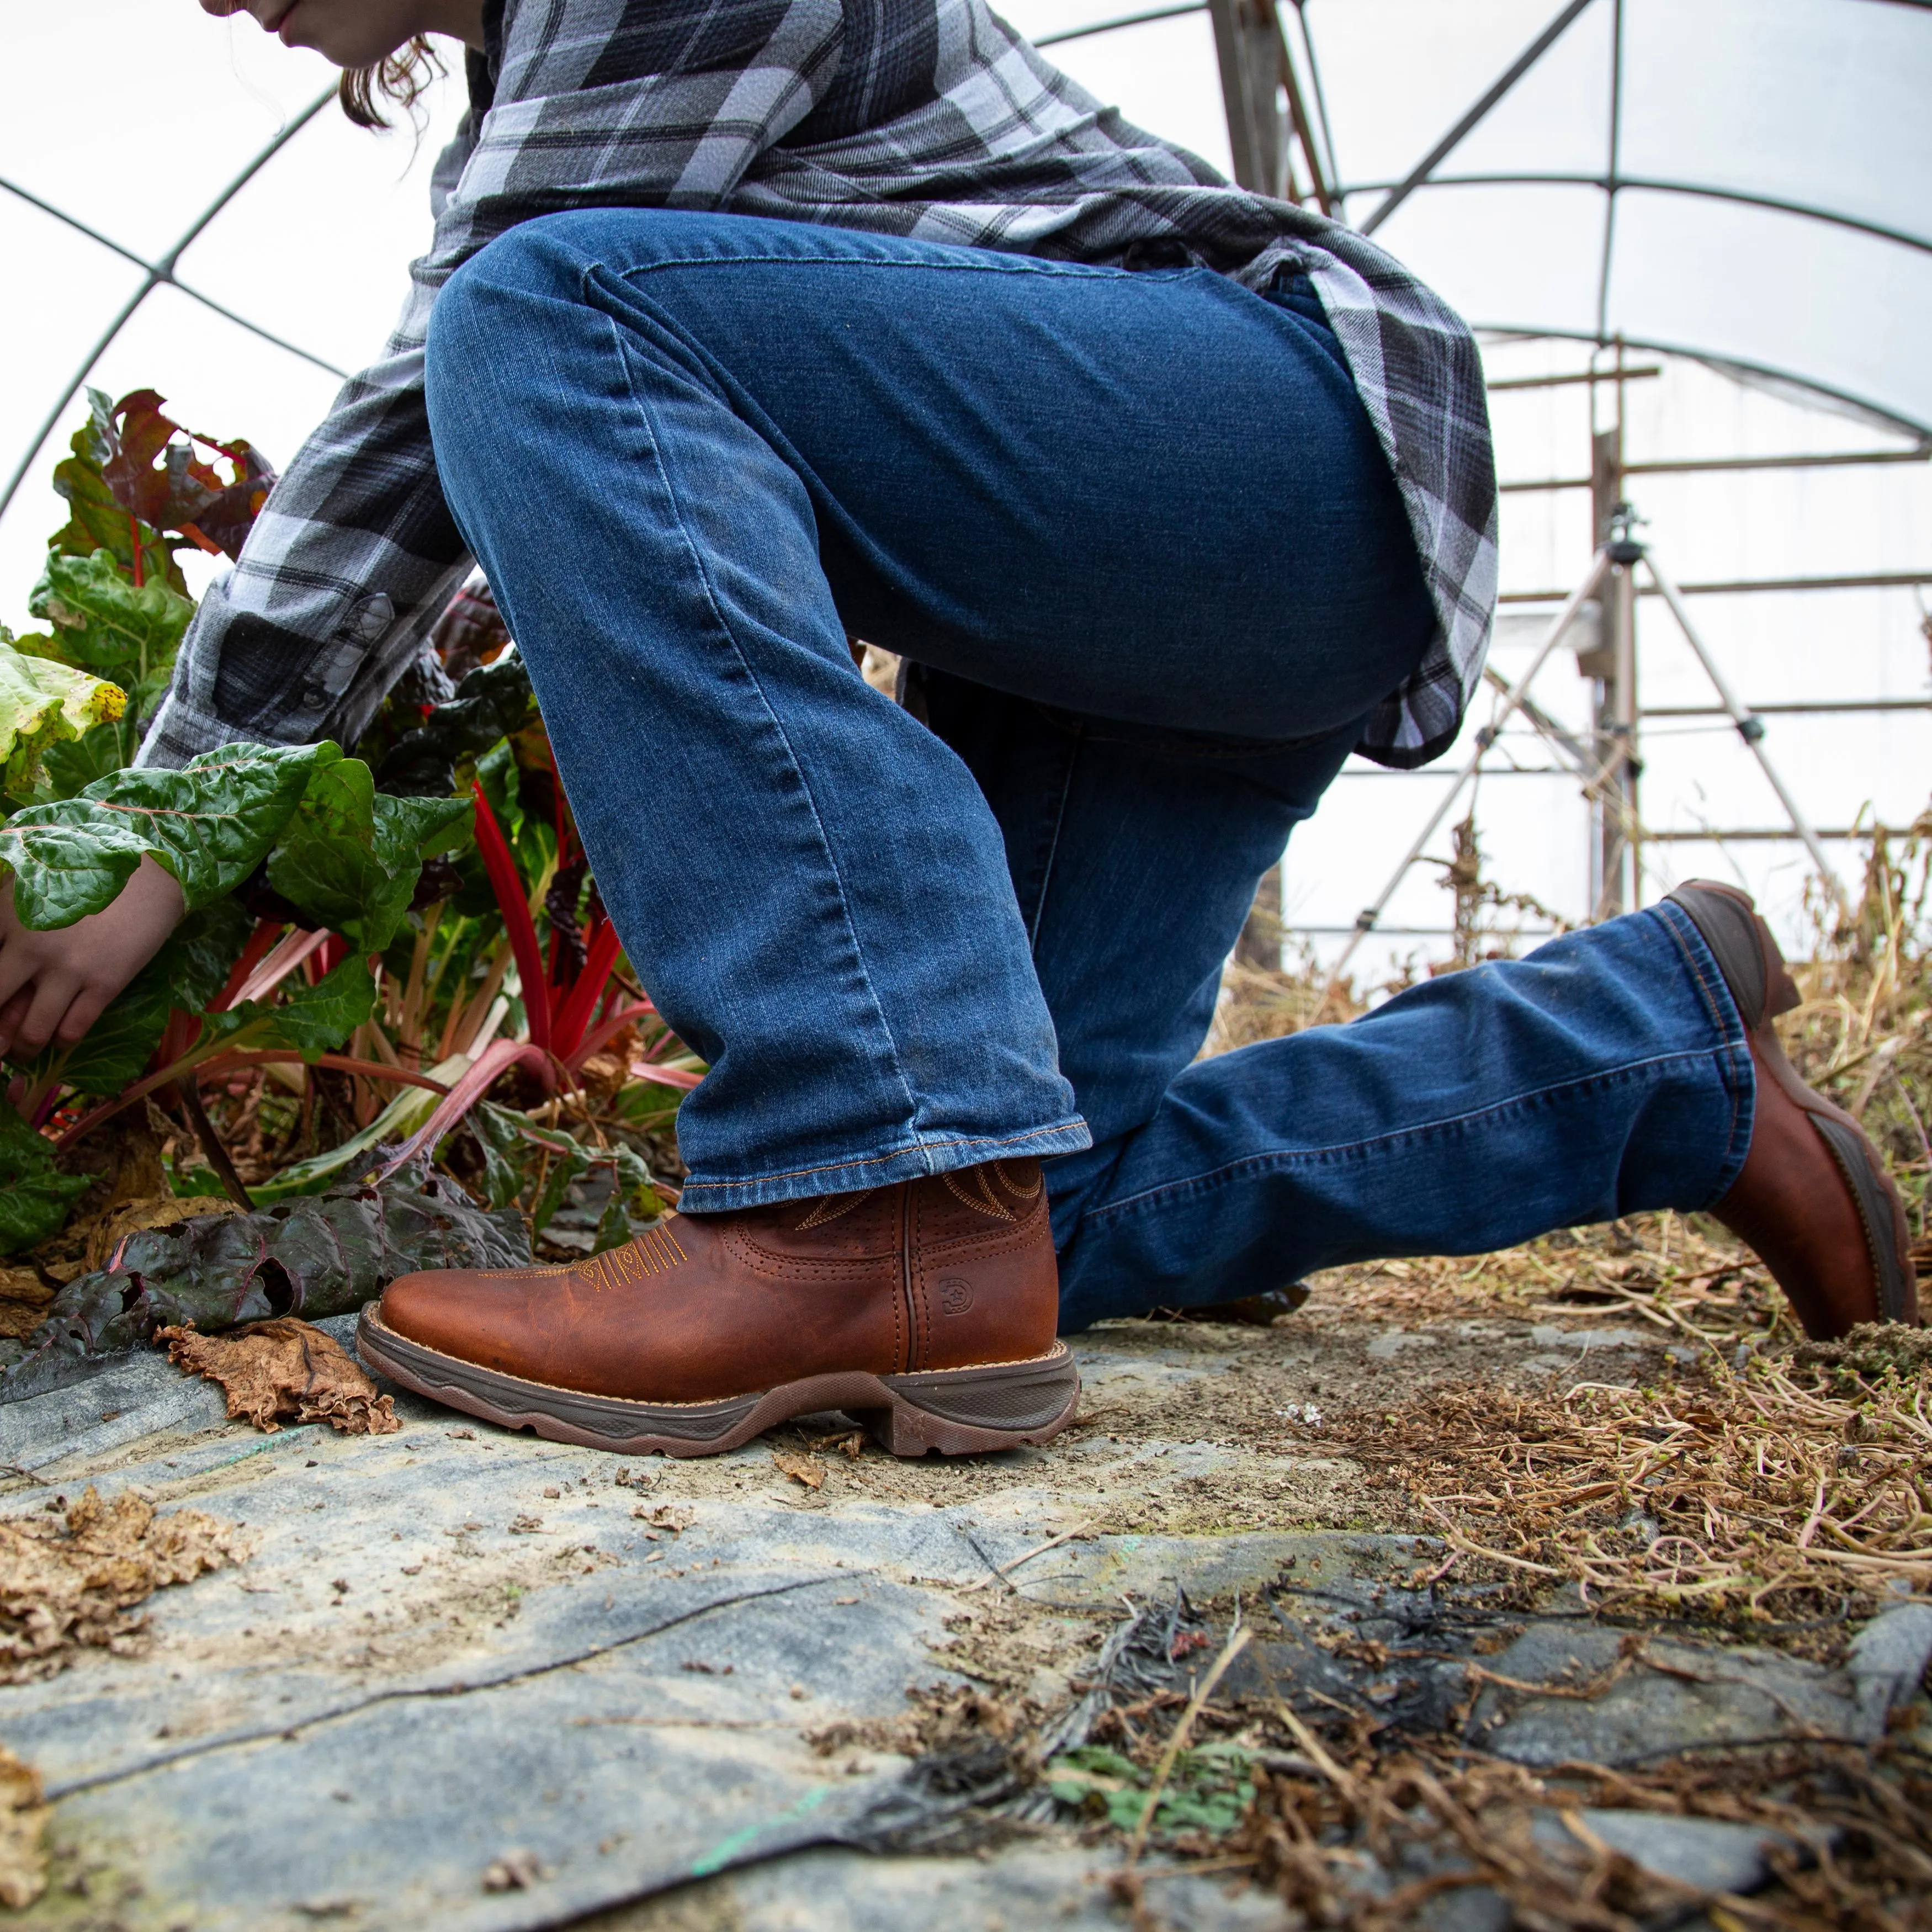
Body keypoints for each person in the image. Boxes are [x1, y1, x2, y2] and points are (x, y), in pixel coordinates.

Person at [0, 0, 1913, 1458]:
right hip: (1103, 596)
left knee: (534, 315)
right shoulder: (535, 84)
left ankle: (857, 1152)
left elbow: (444, 398)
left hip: (1264, 456)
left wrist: (162, 838)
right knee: (1029, 1203)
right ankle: (1645, 1060)